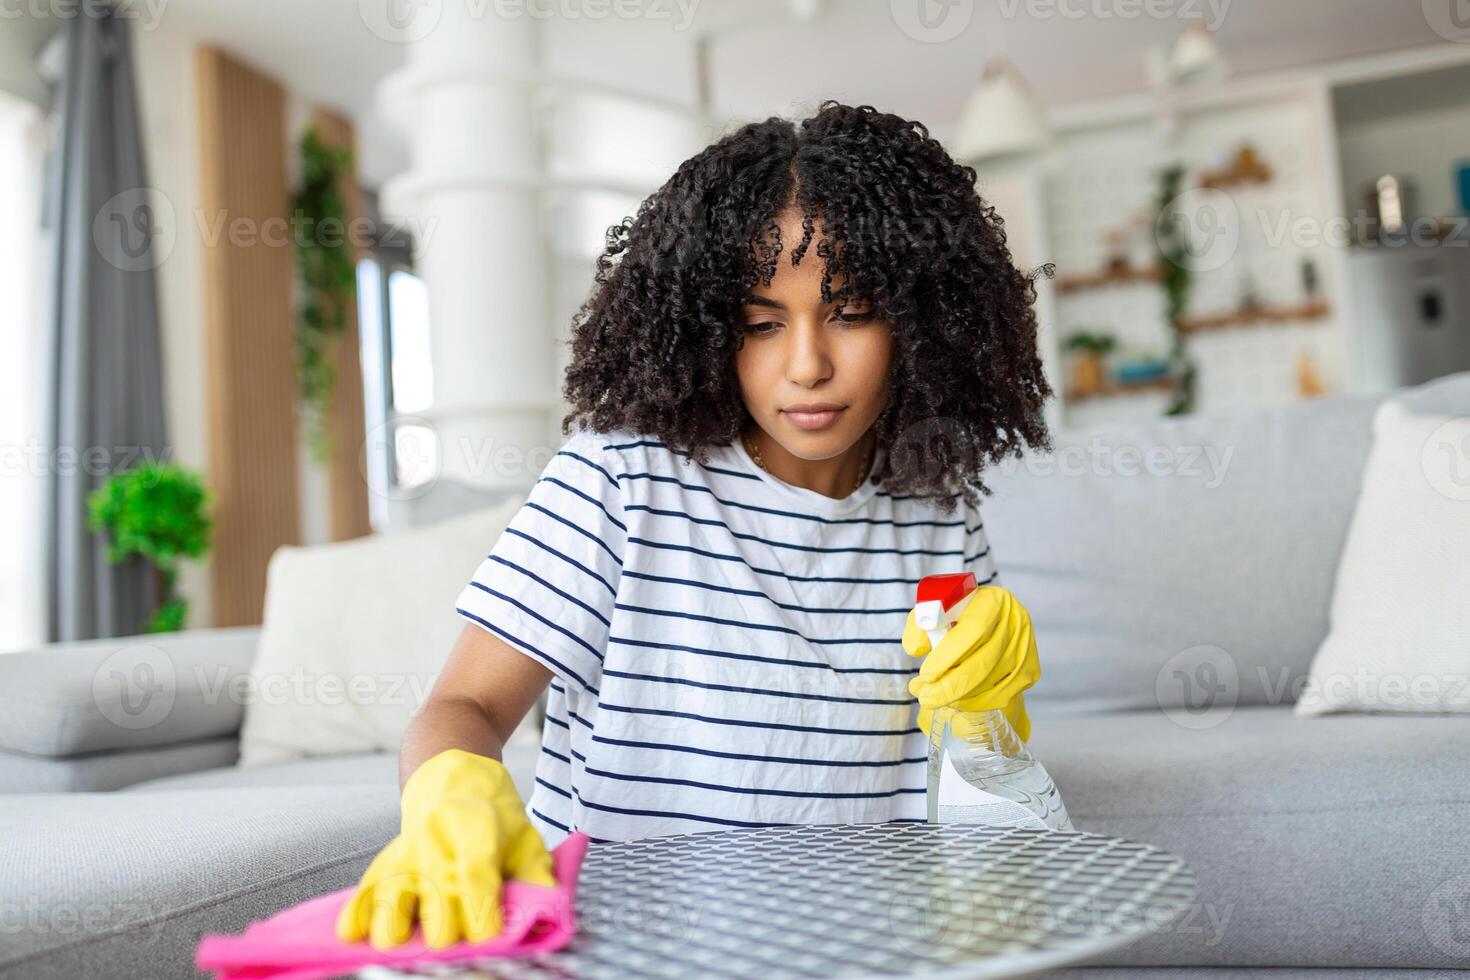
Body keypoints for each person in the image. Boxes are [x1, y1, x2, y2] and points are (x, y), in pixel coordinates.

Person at [336, 100, 1054, 951]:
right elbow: (464, 704)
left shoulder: (936, 509)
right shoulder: (621, 479)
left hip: (868, 948)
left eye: (852, 312)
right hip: (625, 950)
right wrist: (451, 792)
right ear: (708, 326)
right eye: (761, 323)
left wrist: (994, 702)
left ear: (922, 318)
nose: (807, 365)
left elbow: (973, 757)